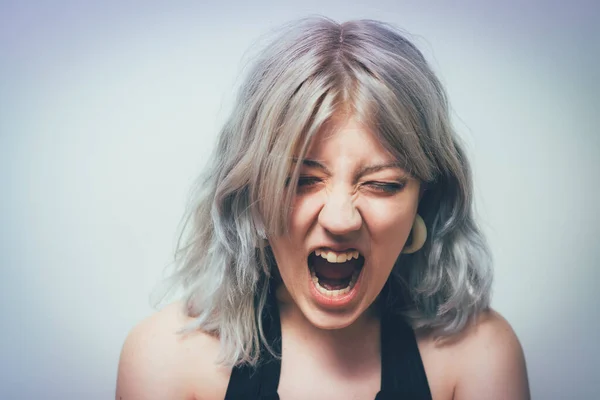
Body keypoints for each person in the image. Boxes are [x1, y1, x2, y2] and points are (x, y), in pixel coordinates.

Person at [116, 17, 530, 399]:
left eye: (382, 184)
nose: (340, 219)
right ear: (252, 194)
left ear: (425, 196)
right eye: (301, 180)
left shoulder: (481, 356)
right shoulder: (165, 359)